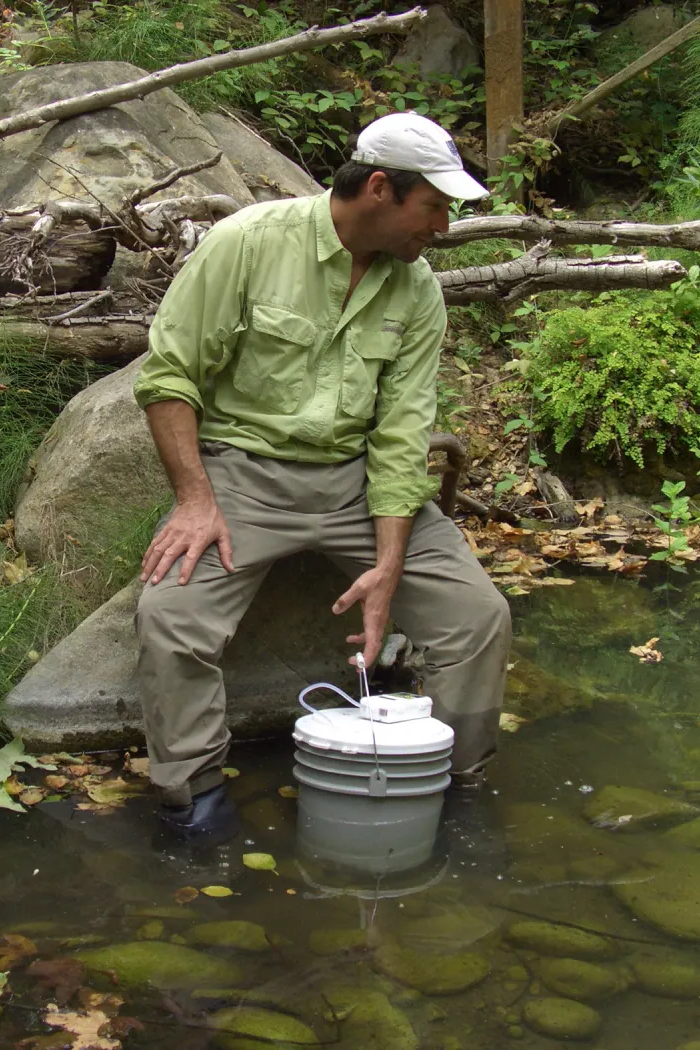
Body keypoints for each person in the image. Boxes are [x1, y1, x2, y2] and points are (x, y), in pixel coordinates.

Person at [133, 112, 513, 844]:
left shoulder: (418, 291)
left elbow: (402, 435)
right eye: (433, 207)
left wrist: (390, 564)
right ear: (379, 188)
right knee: (169, 620)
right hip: (242, 479)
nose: (442, 227)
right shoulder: (248, 243)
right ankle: (194, 800)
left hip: (357, 487)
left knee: (478, 617)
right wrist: (193, 500)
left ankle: (455, 783)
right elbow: (171, 377)